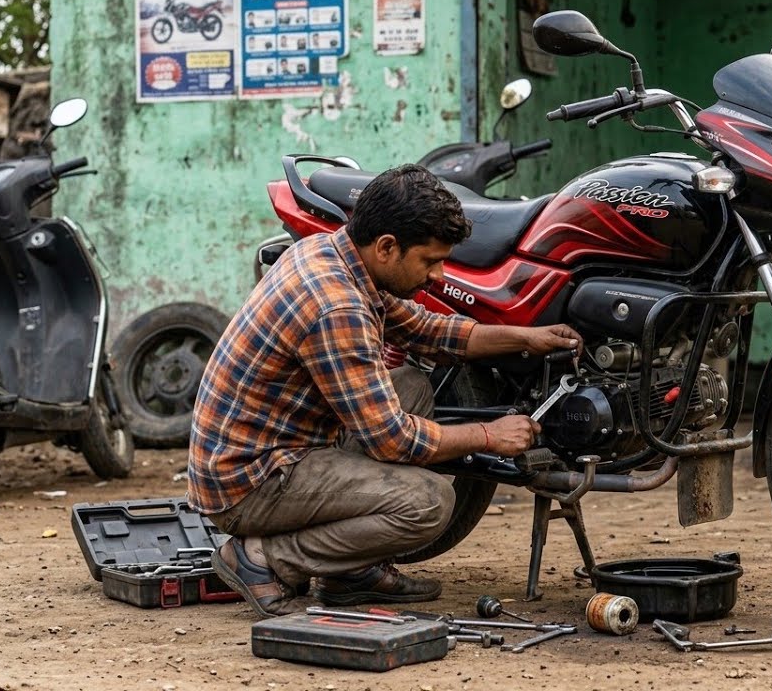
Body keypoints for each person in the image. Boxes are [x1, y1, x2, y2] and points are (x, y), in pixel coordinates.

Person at [189, 164, 583, 618]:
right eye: (430, 261)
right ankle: (262, 558)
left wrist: (524, 336)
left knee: (411, 385)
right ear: (388, 247)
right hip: (251, 483)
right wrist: (490, 436)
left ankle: (348, 571)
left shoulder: (333, 252)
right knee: (429, 503)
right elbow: (393, 440)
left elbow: (425, 330)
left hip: (282, 447)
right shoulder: (337, 304)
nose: (437, 275)